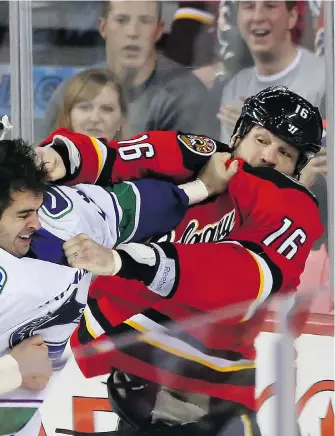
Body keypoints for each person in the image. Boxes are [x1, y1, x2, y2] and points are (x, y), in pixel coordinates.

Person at [0, 107, 234, 436]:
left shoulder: (50, 209)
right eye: (24, 214)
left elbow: (127, 209)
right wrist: (10, 371)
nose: (37, 223)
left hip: (31, 416)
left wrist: (203, 187)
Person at [37, 86, 324, 435]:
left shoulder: (294, 206)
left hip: (210, 391)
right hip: (124, 367)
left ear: (297, 168)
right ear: (238, 134)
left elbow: (242, 280)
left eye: (285, 152)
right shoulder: (198, 153)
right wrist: (64, 157)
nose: (268, 156)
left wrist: (129, 262)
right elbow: (122, 158)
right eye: (261, 139)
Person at [43, 0, 208, 138]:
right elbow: (43, 167)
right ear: (102, 27)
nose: (132, 32)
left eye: (145, 21)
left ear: (158, 30)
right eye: (121, 20)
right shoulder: (72, 90)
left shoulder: (186, 95)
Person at [218, 0, 325, 143]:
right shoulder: (235, 88)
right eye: (249, 6)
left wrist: (254, 129)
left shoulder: (325, 79)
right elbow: (229, 162)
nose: (257, 17)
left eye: (270, 6)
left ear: (292, 17)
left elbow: (323, 162)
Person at [54, 68, 128, 141]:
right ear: (68, 114)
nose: (95, 119)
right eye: (85, 108)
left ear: (121, 119)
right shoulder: (47, 152)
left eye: (107, 109)